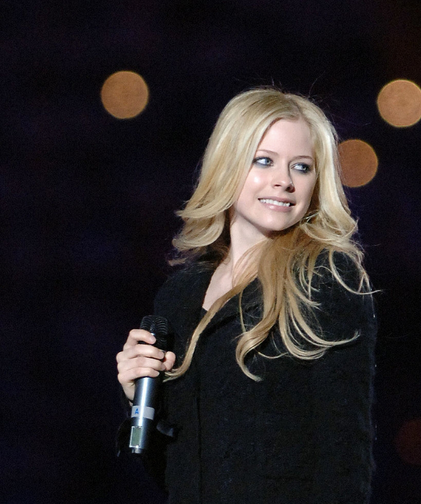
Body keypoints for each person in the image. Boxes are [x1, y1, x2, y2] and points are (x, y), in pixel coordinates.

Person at [115, 88, 377, 504]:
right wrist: (139, 399)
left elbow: (343, 455)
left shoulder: (324, 281)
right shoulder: (179, 296)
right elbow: (175, 473)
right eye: (264, 160)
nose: (284, 181)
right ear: (228, 164)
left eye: (302, 167)